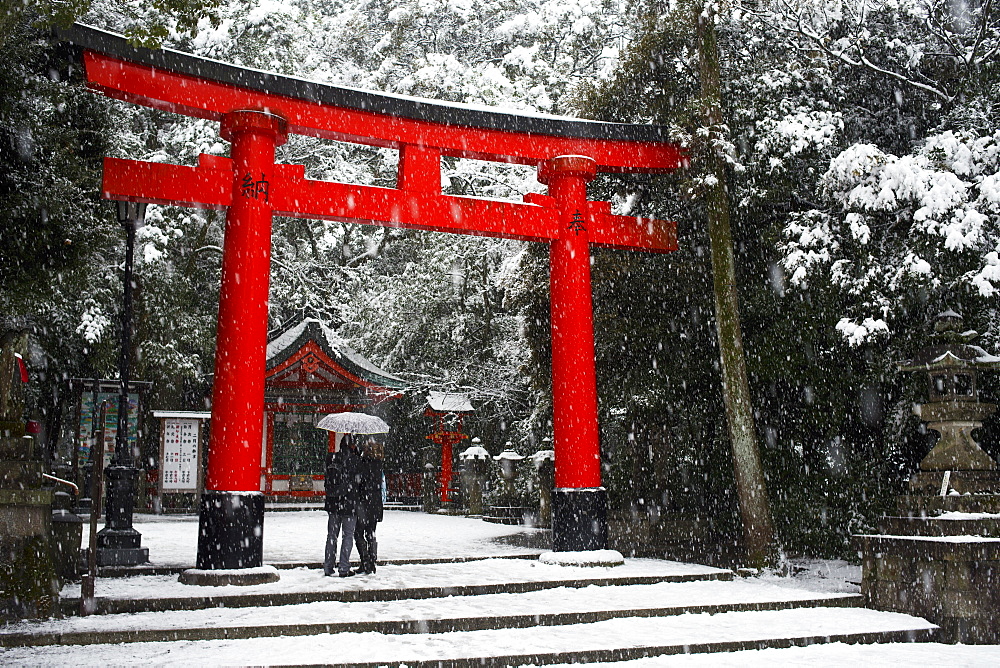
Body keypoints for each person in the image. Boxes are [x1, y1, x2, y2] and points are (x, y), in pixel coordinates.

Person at [324, 433, 360, 577]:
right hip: (349, 504)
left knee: (332, 535)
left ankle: (328, 566)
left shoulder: (331, 458)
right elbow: (360, 481)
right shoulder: (355, 460)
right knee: (348, 536)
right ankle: (344, 567)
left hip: (333, 503)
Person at [355, 437, 385, 575]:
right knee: (371, 533)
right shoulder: (378, 464)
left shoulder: (363, 464)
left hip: (363, 502)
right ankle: (372, 562)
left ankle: (365, 561)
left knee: (358, 533)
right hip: (375, 503)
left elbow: (359, 483)